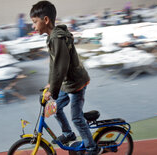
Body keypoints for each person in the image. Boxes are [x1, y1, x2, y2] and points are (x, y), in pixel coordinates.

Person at [29, 1, 102, 154]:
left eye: (35, 22)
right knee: (55, 109)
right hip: (66, 82)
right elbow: (53, 65)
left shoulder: (57, 38)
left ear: (46, 20)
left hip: (76, 83)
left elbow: (61, 67)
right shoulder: (52, 37)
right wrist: (50, 84)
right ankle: (68, 133)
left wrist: (52, 92)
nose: (33, 26)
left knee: (76, 117)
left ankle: (92, 147)